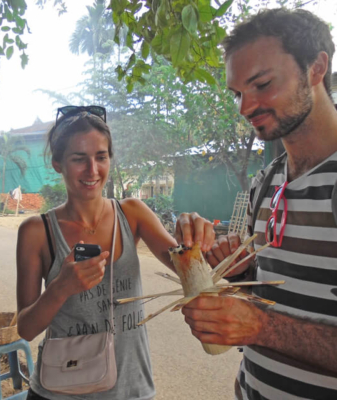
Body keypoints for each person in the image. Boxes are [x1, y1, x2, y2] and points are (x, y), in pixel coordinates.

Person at [177, 8, 337, 400]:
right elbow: (278, 294)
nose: (244, 107)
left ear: (316, 68)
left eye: (261, 84)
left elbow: (267, 322)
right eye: (238, 93)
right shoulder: (268, 181)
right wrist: (242, 274)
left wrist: (262, 327)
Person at [15, 105, 215, 400]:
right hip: (59, 391)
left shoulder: (132, 214)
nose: (92, 170)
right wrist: (59, 289)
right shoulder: (36, 232)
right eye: (78, 159)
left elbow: (189, 265)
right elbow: (26, 328)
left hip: (131, 390)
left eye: (101, 157)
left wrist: (194, 232)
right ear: (58, 163)